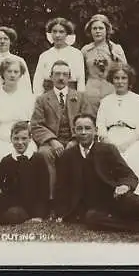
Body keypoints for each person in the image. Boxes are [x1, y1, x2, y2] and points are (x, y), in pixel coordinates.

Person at [54, 113, 139, 234]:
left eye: (87, 128)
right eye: (79, 129)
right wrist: (61, 212)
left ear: (95, 131)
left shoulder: (107, 150)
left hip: (113, 197)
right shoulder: (68, 155)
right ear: (74, 131)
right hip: (91, 207)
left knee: (132, 201)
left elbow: (129, 175)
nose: (83, 132)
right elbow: (61, 186)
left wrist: (125, 186)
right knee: (92, 219)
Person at [30, 60, 94, 204]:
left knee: (80, 153)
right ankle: (52, 200)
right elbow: (36, 125)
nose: (61, 78)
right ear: (51, 77)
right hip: (51, 142)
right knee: (44, 154)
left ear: (69, 77)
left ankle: (79, 200)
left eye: (65, 74)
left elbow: (89, 119)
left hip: (76, 140)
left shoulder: (80, 97)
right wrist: (52, 141)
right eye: (57, 74)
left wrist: (75, 140)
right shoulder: (42, 99)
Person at [96, 63, 139, 194]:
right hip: (110, 138)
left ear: (129, 80)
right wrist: (109, 143)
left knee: (133, 156)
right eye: (116, 78)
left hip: (132, 138)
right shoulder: (105, 101)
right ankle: (111, 196)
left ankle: (134, 196)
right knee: (107, 158)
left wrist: (126, 144)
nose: (120, 82)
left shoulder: (138, 100)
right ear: (112, 80)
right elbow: (100, 125)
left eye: (123, 78)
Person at [0, 58, 36, 175]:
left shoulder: (28, 96)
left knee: (29, 155)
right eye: (9, 71)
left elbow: (33, 121)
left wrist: (24, 136)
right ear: (2, 73)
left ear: (21, 75)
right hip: (1, 137)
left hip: (23, 135)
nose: (12, 75)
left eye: (16, 72)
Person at [81, 14, 127, 112]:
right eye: (94, 28)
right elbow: (81, 74)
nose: (97, 31)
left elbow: (125, 72)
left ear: (107, 30)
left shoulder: (116, 48)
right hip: (91, 92)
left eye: (101, 28)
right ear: (90, 31)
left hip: (110, 90)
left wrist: (118, 60)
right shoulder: (85, 50)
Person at [32, 17, 85, 96]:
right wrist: (39, 99)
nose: (57, 35)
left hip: (71, 95)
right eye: (54, 31)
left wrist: (80, 99)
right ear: (50, 33)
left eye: (61, 32)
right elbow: (38, 80)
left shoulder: (76, 54)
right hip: (49, 95)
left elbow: (81, 79)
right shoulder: (45, 55)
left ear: (67, 34)